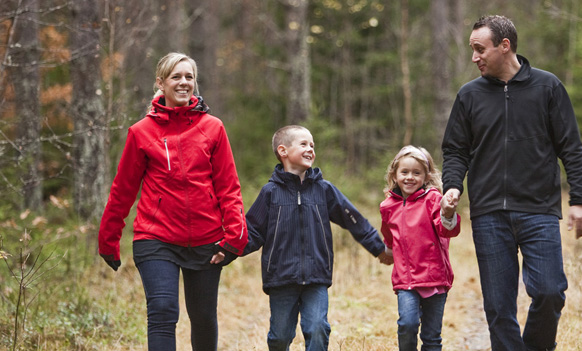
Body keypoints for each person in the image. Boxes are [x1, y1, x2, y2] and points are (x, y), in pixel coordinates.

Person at [440, 15, 582, 351]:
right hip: (488, 213)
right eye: (472, 50)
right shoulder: (469, 95)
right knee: (498, 308)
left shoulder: (547, 87)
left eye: (480, 49)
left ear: (504, 46)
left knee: (550, 292)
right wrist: (452, 185)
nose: (474, 57)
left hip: (538, 209)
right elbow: (454, 150)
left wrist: (579, 200)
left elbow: (571, 147)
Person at [98, 52, 247, 351]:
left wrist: (235, 238)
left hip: (206, 238)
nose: (183, 83)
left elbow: (228, 187)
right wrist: (108, 239)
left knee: (203, 317)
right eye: (176, 77)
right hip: (156, 238)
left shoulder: (213, 128)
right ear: (160, 83)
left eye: (189, 77)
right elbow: (123, 190)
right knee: (163, 312)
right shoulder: (141, 133)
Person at [241, 125, 392, 351]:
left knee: (318, 329)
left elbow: (354, 219)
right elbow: (252, 231)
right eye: (303, 144)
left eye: (312, 145)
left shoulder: (324, 190)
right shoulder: (270, 193)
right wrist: (226, 250)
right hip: (281, 278)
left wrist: (378, 248)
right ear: (283, 151)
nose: (310, 149)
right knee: (280, 336)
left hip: (316, 277)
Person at [379, 145, 461, 351]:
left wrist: (448, 212)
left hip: (434, 277)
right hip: (406, 280)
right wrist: (387, 251)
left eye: (417, 173)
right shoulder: (388, 206)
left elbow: (446, 230)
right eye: (404, 172)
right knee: (407, 324)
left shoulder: (433, 199)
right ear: (395, 175)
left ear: (426, 177)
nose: (410, 177)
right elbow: (388, 234)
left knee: (432, 337)